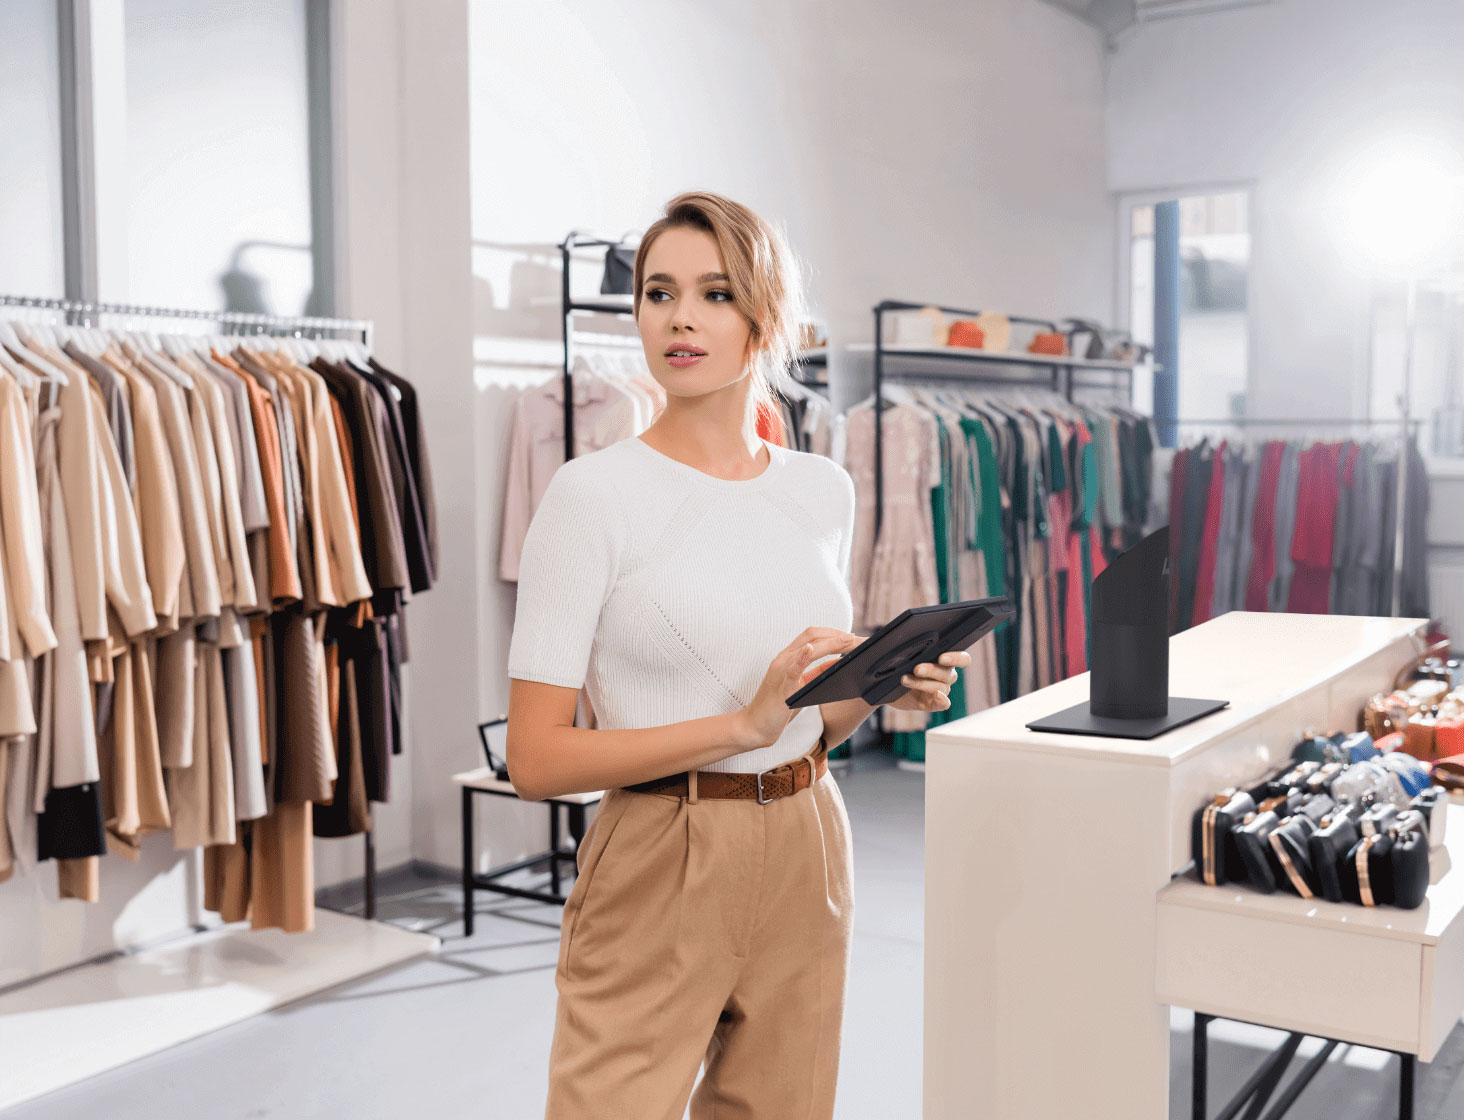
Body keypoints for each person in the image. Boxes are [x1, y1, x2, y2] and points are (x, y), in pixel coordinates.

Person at [506, 190, 972, 1119]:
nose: (680, 317)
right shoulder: (590, 496)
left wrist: (876, 686)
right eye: (658, 291)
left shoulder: (821, 490)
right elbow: (537, 758)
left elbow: (807, 720)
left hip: (807, 835)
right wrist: (742, 723)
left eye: (716, 293)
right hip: (658, 847)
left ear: (767, 317)